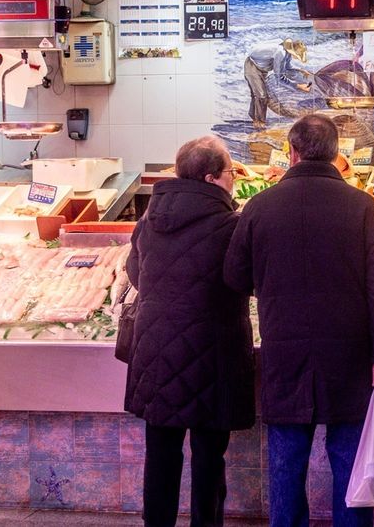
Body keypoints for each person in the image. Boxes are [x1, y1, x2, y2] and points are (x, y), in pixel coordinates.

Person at [224, 114, 374, 527]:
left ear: (292, 152)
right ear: (337, 153)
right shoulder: (361, 206)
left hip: (284, 351)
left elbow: (233, 276)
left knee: (286, 467)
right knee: (349, 467)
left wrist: (271, 287)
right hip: (348, 356)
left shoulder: (260, 206)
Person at [124, 135, 254, 527]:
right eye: (232, 172)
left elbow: (135, 274)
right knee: (209, 456)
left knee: (160, 453)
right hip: (213, 355)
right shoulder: (231, 225)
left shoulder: (149, 220)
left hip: (155, 353)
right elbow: (242, 280)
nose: (234, 179)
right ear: (213, 178)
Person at [245, 39, 312, 130]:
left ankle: (254, 117)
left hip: (261, 68)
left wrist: (300, 69)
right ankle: (259, 122)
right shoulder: (280, 53)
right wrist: (298, 86)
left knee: (257, 94)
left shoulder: (286, 52)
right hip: (252, 67)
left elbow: (287, 67)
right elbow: (279, 78)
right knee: (261, 95)